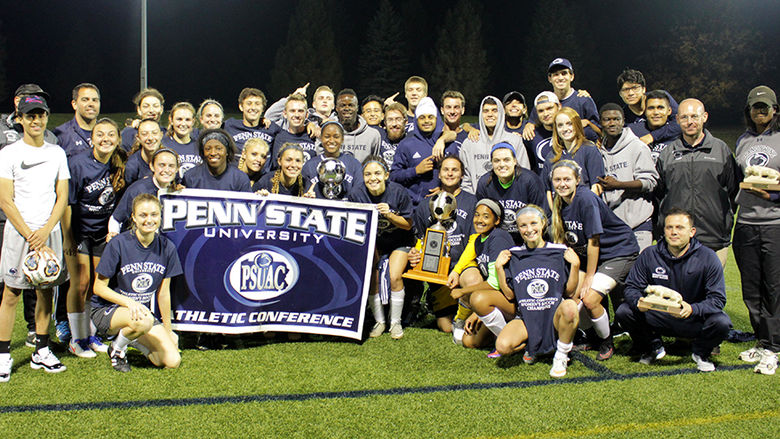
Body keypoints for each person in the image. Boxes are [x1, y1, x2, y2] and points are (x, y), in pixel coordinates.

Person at [0, 95, 70, 381]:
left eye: (40, 115)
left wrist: (44, 232)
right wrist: (30, 234)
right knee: (10, 294)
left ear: (46, 117)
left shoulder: (56, 153)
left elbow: (62, 196)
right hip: (20, 234)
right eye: (30, 116)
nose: (36, 120)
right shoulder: (8, 153)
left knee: (46, 292)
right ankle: (3, 355)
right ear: (20, 119)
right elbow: (5, 200)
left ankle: (41, 350)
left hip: (48, 232)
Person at [616, 208, 731, 372]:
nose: (674, 232)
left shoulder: (708, 257)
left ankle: (700, 352)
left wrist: (692, 309)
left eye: (679, 228)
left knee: (722, 322)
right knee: (624, 311)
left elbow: (717, 299)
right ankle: (652, 347)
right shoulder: (649, 254)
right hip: (658, 316)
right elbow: (631, 287)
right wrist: (638, 301)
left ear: (692, 232)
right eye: (669, 227)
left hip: (691, 317)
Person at [550, 160, 639, 360]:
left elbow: (594, 241)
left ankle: (606, 342)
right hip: (594, 256)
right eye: (557, 179)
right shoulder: (560, 202)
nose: (562, 183)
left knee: (589, 298)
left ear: (577, 180)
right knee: (573, 298)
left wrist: (589, 276)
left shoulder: (586, 199)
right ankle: (592, 337)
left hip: (618, 252)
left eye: (567, 179)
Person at [92, 193, 182, 372]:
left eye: (154, 215)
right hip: (107, 311)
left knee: (172, 360)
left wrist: (168, 330)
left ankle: (131, 338)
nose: (149, 220)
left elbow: (163, 294)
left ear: (160, 216)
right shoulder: (118, 243)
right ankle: (117, 350)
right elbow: (98, 287)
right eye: (143, 215)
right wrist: (129, 303)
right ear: (133, 217)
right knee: (144, 320)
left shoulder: (167, 247)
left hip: (140, 315)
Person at [62, 118, 127, 357]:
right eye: (100, 134)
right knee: (79, 284)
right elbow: (67, 204)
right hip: (80, 233)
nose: (106, 139)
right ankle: (76, 339)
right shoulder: (78, 164)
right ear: (92, 138)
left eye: (111, 135)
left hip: (102, 234)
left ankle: (88, 334)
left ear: (118, 139)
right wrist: (68, 238)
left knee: (94, 287)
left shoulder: (118, 163)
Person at [493, 205, 581, 377]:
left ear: (543, 224)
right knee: (502, 346)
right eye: (523, 225)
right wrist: (499, 268)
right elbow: (510, 295)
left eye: (533, 223)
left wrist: (576, 266)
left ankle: (561, 355)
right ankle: (530, 346)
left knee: (570, 307)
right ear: (517, 228)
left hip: (553, 315)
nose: (529, 229)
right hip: (526, 317)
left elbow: (569, 293)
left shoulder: (559, 251)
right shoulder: (513, 255)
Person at [655, 98, 739, 267]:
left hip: (714, 237)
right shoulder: (668, 154)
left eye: (694, 116)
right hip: (677, 238)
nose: (690, 122)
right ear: (677, 120)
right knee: (676, 291)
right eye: (684, 117)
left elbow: (734, 191)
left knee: (711, 291)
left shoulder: (721, 150)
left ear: (705, 117)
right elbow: (659, 195)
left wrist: (721, 220)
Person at [733, 85, 780, 375]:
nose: (760, 111)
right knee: (751, 289)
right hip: (746, 221)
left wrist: (773, 196)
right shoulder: (742, 140)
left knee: (774, 288)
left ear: (775, 110)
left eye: (766, 107)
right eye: (755, 107)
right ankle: (763, 342)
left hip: (775, 222)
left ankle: (774, 348)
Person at [408, 156, 476, 333]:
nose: (450, 173)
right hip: (439, 271)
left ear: (462, 175)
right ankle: (434, 298)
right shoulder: (426, 204)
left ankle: (464, 314)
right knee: (445, 327)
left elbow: (473, 241)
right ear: (439, 174)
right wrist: (416, 252)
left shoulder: (472, 202)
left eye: (455, 170)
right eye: (446, 169)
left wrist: (458, 270)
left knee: (472, 280)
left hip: (463, 267)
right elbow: (421, 239)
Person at [348, 156, 413, 339]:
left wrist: (390, 215)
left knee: (394, 276)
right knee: (372, 277)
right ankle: (380, 321)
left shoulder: (398, 192)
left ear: (386, 175)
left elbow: (407, 224)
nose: (372, 178)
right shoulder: (357, 194)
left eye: (377, 173)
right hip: (373, 241)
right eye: (368, 174)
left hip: (399, 240)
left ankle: (395, 322)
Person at [447, 199, 515, 352]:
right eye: (477, 215)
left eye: (486, 216)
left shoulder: (498, 238)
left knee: (476, 297)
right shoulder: (479, 239)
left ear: (497, 220)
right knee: (469, 341)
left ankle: (508, 338)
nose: (479, 220)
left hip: (512, 300)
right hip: (497, 300)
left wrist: (462, 292)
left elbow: (494, 284)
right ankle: (499, 332)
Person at [597, 103, 658, 252]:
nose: (612, 123)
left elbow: (650, 182)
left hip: (639, 223)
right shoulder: (598, 151)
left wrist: (619, 185)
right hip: (614, 226)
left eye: (616, 119)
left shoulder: (637, 147)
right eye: (607, 119)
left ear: (623, 121)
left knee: (640, 271)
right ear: (601, 123)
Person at [475, 143, 545, 244]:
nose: (502, 165)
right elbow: (481, 220)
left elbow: (541, 215)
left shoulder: (530, 180)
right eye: (497, 161)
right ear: (491, 163)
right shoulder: (484, 183)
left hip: (528, 238)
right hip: (498, 240)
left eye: (506, 160)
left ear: (515, 161)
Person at [460, 96, 530, 194]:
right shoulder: (470, 143)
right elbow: (465, 180)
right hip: (478, 204)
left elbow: (524, 175)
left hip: (508, 202)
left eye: (494, 110)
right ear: (481, 114)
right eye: (486, 111)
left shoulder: (514, 141)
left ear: (501, 113)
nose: (490, 114)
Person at [109, 148, 180, 238]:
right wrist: (114, 238)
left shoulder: (179, 191)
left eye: (171, 166)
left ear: (177, 169)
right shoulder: (138, 189)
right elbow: (116, 219)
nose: (166, 170)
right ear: (152, 166)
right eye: (162, 165)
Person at [525, 58, 601, 141]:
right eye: (556, 74)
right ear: (550, 78)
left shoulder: (583, 100)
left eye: (564, 73)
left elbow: (599, 132)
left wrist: (587, 122)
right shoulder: (544, 102)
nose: (560, 78)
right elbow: (532, 122)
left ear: (571, 76)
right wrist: (529, 125)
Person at [541, 107, 605, 205]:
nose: (565, 129)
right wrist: (554, 214)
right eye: (560, 125)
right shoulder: (552, 156)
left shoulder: (589, 149)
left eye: (569, 124)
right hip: (560, 215)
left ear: (577, 124)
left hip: (584, 212)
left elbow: (596, 187)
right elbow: (548, 190)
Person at [390, 97, 443, 207]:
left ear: (437, 119)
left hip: (441, 205)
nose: (427, 121)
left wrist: (445, 188)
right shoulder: (406, 144)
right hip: (412, 207)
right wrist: (416, 171)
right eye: (422, 117)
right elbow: (394, 176)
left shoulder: (447, 143)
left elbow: (458, 176)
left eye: (430, 117)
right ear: (416, 120)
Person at [616, 69, 680, 144]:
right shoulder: (623, 117)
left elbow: (681, 123)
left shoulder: (660, 99)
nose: (631, 93)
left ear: (643, 89)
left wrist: (652, 136)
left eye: (635, 88)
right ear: (620, 94)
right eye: (626, 90)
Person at [302, 121, 362, 198]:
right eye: (327, 136)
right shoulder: (309, 165)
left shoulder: (354, 164)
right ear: (321, 138)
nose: (331, 140)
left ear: (342, 139)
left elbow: (358, 194)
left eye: (336, 137)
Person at [182, 129, 252, 192]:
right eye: (208, 149)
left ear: (227, 151)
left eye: (218, 148)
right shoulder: (190, 176)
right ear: (203, 152)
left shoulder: (240, 178)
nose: (213, 153)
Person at [223, 87, 280, 153]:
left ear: (263, 108)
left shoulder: (271, 128)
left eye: (257, 104)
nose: (253, 107)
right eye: (249, 103)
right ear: (241, 107)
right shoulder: (230, 126)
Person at [53, 83, 101, 158]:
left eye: (95, 100)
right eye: (85, 100)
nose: (91, 104)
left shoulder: (108, 133)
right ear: (74, 104)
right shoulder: (61, 135)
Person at [628, 90, 676, 163]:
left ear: (669, 111)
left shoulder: (679, 133)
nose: (656, 112)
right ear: (645, 111)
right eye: (651, 108)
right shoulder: (631, 132)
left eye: (660, 108)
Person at [334, 89, 381, 163]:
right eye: (343, 105)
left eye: (351, 105)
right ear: (336, 108)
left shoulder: (372, 135)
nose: (347, 108)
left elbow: (374, 164)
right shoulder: (329, 133)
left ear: (357, 108)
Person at [269, 94, 316, 168]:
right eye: (292, 111)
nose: (296, 115)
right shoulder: (279, 137)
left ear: (306, 115)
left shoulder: (314, 135)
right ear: (285, 114)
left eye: (300, 111)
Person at [524, 92, 560, 175]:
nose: (546, 114)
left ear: (559, 107)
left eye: (549, 108)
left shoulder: (569, 133)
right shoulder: (531, 135)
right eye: (541, 111)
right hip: (542, 186)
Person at [162, 102, 201, 177]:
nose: (183, 124)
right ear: (171, 120)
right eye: (179, 119)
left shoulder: (200, 146)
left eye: (187, 120)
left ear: (193, 121)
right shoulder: (163, 145)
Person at [124, 118, 163, 186]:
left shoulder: (169, 158)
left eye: (154, 133)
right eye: (144, 134)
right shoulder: (132, 166)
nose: (150, 138)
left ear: (161, 135)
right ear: (138, 138)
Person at [435, 90, 469, 156]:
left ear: (463, 110)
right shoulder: (434, 136)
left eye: (456, 107)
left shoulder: (468, 138)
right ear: (442, 110)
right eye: (448, 107)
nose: (452, 111)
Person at [379, 102, 407, 169]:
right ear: (385, 123)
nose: (394, 124)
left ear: (406, 122)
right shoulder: (378, 136)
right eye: (390, 120)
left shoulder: (411, 141)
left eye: (398, 119)